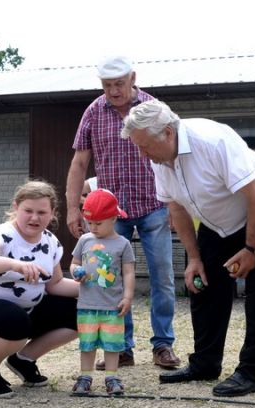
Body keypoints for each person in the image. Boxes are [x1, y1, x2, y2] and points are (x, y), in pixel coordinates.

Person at [120, 99, 255, 397]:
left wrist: (252, 250)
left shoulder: (212, 141)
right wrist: (194, 257)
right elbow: (178, 209)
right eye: (138, 147)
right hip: (218, 217)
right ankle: (206, 363)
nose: (141, 153)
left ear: (168, 133)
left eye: (144, 146)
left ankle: (251, 371)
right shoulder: (158, 157)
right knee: (202, 283)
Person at [65, 55, 180, 371]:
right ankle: (121, 347)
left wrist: (176, 205)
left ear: (132, 78)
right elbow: (79, 163)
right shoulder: (93, 113)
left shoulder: (154, 109)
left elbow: (174, 156)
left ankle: (163, 345)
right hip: (112, 211)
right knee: (110, 278)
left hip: (154, 204)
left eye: (118, 84)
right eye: (106, 85)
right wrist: (74, 207)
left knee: (163, 276)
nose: (113, 91)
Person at [0, 180, 79, 398]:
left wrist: (92, 290)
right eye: (28, 210)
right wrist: (13, 264)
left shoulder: (51, 242)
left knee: (80, 312)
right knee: (15, 320)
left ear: (52, 213)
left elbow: (55, 285)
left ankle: (23, 360)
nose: (34, 217)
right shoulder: (0, 235)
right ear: (15, 207)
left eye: (42, 212)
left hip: (25, 312)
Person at [70, 189, 136, 396]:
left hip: (112, 306)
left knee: (113, 343)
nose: (94, 227)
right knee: (87, 343)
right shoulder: (85, 241)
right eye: (90, 223)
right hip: (87, 305)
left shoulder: (123, 243)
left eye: (99, 223)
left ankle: (112, 377)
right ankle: (85, 376)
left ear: (114, 218)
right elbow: (74, 263)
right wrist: (75, 272)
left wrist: (127, 296)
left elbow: (128, 272)